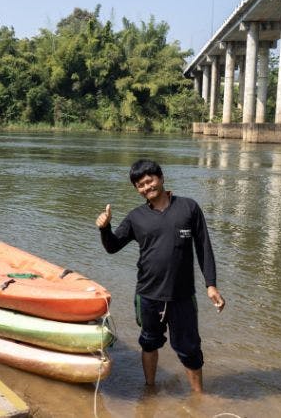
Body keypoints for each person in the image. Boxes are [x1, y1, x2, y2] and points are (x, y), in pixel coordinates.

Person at [95, 159, 224, 393]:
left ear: (161, 178)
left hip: (182, 296)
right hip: (148, 295)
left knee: (190, 350)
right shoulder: (136, 217)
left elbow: (204, 248)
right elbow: (113, 247)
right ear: (137, 190)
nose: (146, 187)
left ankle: (199, 398)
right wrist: (105, 229)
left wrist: (211, 285)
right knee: (148, 342)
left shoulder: (189, 208)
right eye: (140, 185)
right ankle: (149, 388)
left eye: (149, 180)